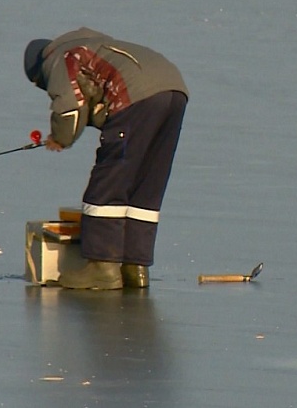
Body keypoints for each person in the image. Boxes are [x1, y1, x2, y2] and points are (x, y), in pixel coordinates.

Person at [23, 28, 188, 290]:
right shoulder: (93, 46)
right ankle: (135, 267)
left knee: (110, 179)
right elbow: (96, 103)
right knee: (145, 183)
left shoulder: (58, 59)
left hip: (136, 94)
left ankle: (102, 268)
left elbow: (69, 109)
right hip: (174, 89)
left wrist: (59, 138)